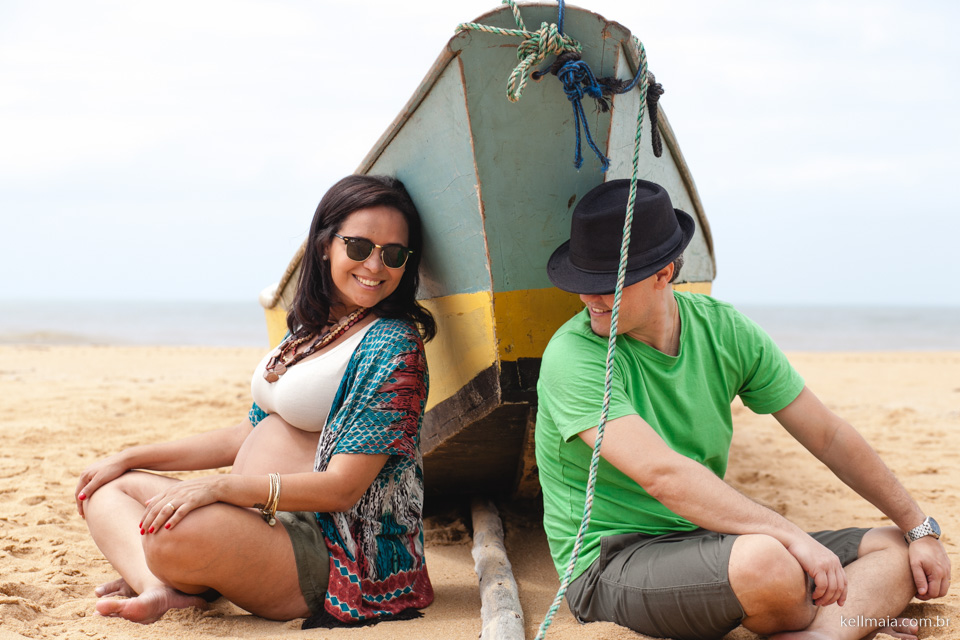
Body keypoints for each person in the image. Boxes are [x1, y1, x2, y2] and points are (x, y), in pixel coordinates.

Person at [535, 179, 950, 640]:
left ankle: (822, 635)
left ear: (663, 273)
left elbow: (828, 435)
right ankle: (842, 624)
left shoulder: (723, 329)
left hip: (710, 538)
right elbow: (663, 475)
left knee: (896, 547)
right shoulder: (573, 356)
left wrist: (918, 527)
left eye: (604, 285)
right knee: (769, 562)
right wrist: (790, 536)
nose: (588, 298)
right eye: (582, 283)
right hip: (612, 562)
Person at [75, 174, 437, 626]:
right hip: (256, 519)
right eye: (360, 247)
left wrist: (221, 488)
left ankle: (182, 572)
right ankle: (159, 586)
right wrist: (129, 457)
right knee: (104, 489)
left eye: (394, 254)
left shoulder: (393, 345)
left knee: (170, 533)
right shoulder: (309, 330)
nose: (375, 265)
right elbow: (248, 433)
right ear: (325, 245)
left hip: (324, 545)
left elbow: (344, 488)